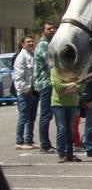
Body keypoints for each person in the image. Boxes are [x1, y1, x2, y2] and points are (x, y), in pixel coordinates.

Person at [50, 63, 82, 163]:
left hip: (72, 103)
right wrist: (72, 85)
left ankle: (69, 154)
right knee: (62, 128)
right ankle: (61, 153)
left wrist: (66, 88)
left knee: (70, 129)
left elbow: (82, 86)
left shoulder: (76, 71)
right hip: (58, 104)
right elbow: (58, 87)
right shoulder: (55, 70)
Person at [34, 22, 55, 153]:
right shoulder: (43, 45)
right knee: (45, 114)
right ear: (43, 31)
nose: (52, 30)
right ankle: (44, 145)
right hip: (45, 83)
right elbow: (50, 65)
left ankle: (46, 143)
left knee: (48, 114)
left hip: (49, 83)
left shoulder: (49, 44)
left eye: (53, 28)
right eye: (49, 29)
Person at [13, 35, 36, 150]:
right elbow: (18, 77)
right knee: (23, 117)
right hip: (24, 92)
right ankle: (19, 141)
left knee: (31, 117)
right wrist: (26, 89)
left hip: (32, 92)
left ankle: (29, 139)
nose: (31, 43)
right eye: (28, 42)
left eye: (32, 41)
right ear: (22, 44)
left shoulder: (32, 55)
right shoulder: (21, 57)